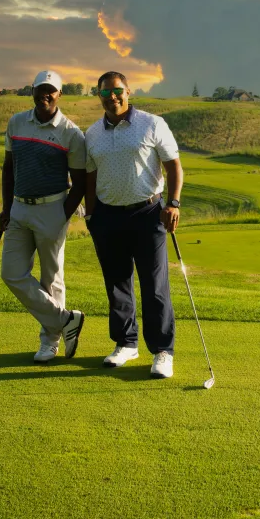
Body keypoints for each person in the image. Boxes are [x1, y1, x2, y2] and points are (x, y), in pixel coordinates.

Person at [84, 71, 183, 379]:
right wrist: (91, 213)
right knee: (116, 284)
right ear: (98, 96)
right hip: (107, 216)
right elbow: (89, 175)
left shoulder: (152, 124)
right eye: (105, 93)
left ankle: (162, 351)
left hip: (148, 213)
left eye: (117, 91)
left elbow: (174, 166)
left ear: (128, 92)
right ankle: (126, 343)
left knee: (154, 286)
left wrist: (173, 203)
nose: (112, 97)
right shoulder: (92, 133)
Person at [0, 70, 86, 363]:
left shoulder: (71, 133)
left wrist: (62, 214)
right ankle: (65, 320)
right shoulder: (17, 122)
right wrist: (6, 207)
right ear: (31, 91)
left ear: (60, 95)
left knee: (51, 277)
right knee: (10, 272)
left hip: (52, 208)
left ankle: (50, 342)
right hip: (20, 208)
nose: (45, 94)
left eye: (51, 90)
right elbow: (8, 169)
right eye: (40, 89)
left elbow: (80, 182)